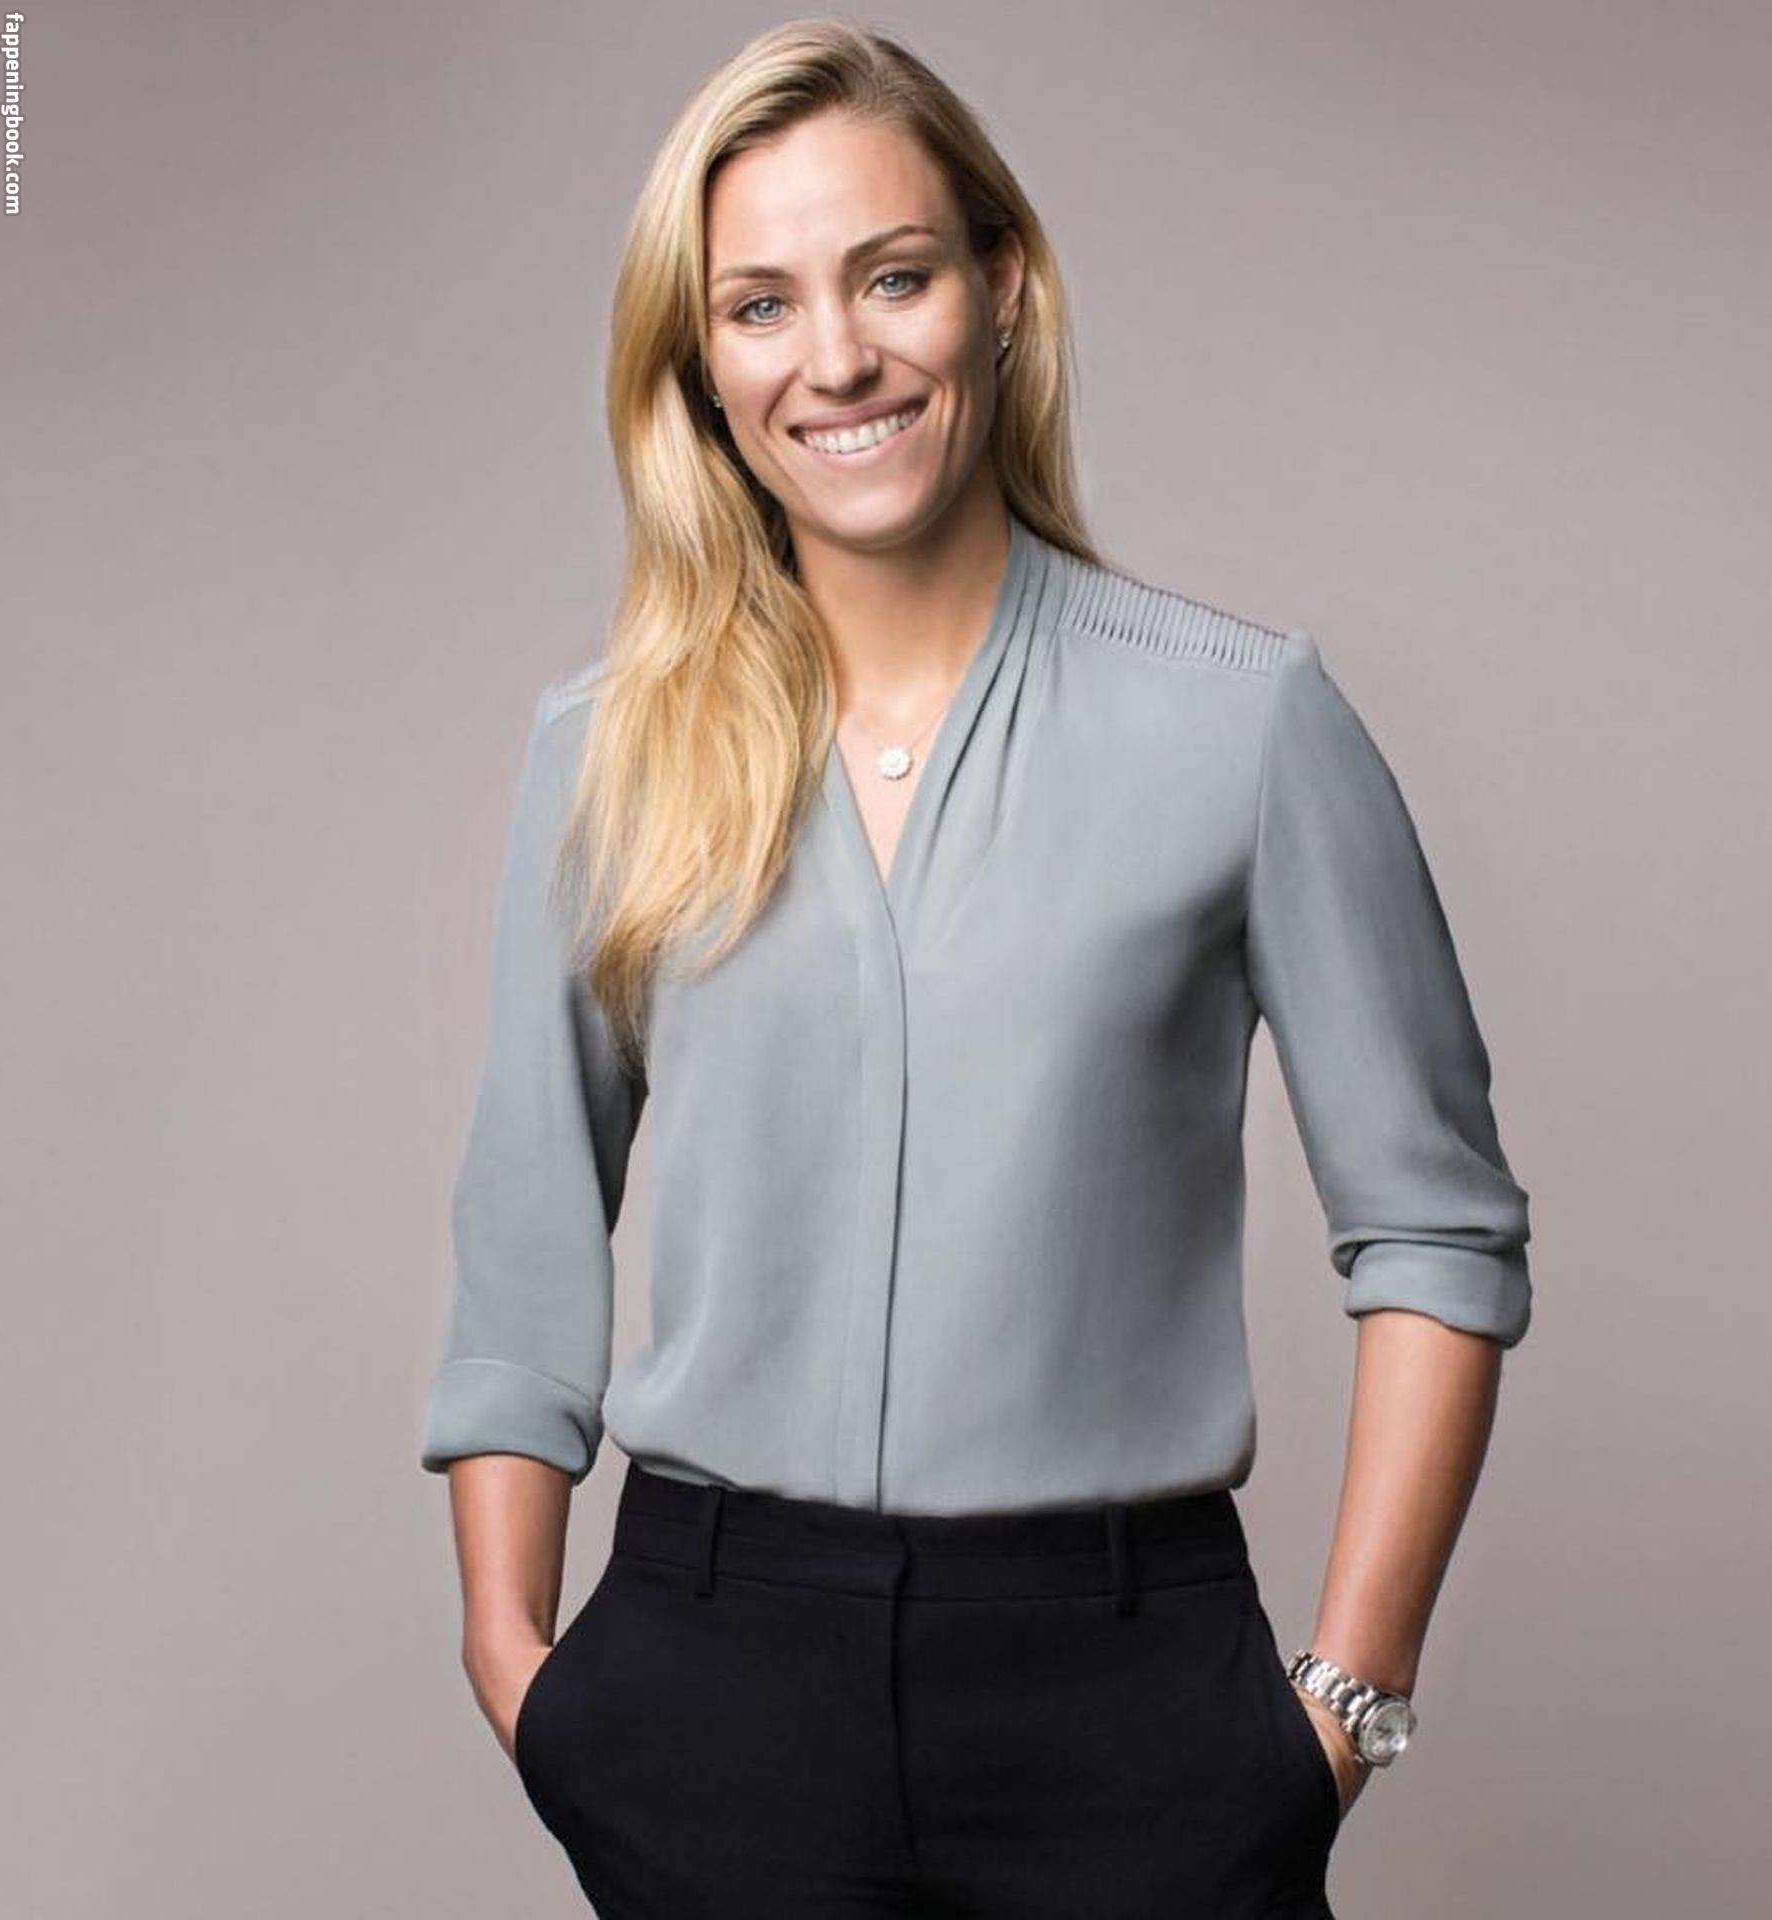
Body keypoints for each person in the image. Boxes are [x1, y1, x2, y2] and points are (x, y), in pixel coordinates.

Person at [417, 18, 1534, 1919]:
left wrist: (1343, 1710)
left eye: (892, 277)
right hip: (707, 1688)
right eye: (759, 304)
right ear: (701, 362)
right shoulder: (605, 754)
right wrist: (524, 1673)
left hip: (1131, 1702)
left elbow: (1437, 1232)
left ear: (1001, 288)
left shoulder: (1244, 723)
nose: (834, 358)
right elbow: (526, 1259)